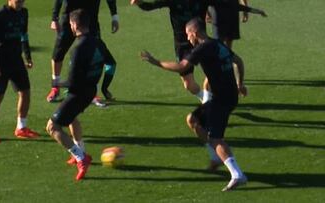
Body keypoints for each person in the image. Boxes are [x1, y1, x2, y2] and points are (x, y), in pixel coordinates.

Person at [140, 18, 248, 191]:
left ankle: (237, 174)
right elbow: (239, 61)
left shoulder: (202, 48)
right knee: (193, 120)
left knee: (215, 138)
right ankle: (216, 157)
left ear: (195, 33)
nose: (188, 37)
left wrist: (157, 62)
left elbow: (182, 66)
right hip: (227, 96)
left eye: (188, 34)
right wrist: (240, 84)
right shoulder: (217, 44)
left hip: (222, 99)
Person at [130, 0, 266, 103]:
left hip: (201, 42)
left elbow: (228, 5)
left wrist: (252, 10)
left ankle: (213, 103)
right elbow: (150, 6)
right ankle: (206, 99)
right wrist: (139, 2)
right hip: (182, 44)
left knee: (215, 71)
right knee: (188, 85)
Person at [46, 9, 115, 180]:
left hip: (78, 94)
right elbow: (112, 65)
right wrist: (105, 88)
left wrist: (56, 83)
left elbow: (72, 82)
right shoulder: (99, 43)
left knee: (52, 127)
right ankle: (80, 150)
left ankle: (81, 157)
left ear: (75, 25)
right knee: (71, 117)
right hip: (90, 92)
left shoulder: (77, 49)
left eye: (70, 24)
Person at [0, 0, 39, 144]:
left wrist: (27, 55)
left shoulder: (24, 13)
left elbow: (24, 35)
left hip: (16, 60)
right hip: (0, 62)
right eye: (18, 0)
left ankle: (21, 128)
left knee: (25, 92)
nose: (20, 2)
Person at [47, 0, 119, 106]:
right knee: (58, 53)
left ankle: (92, 92)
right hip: (70, 18)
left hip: (90, 19)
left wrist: (114, 16)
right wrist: (55, 17)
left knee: (94, 54)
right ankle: (55, 88)